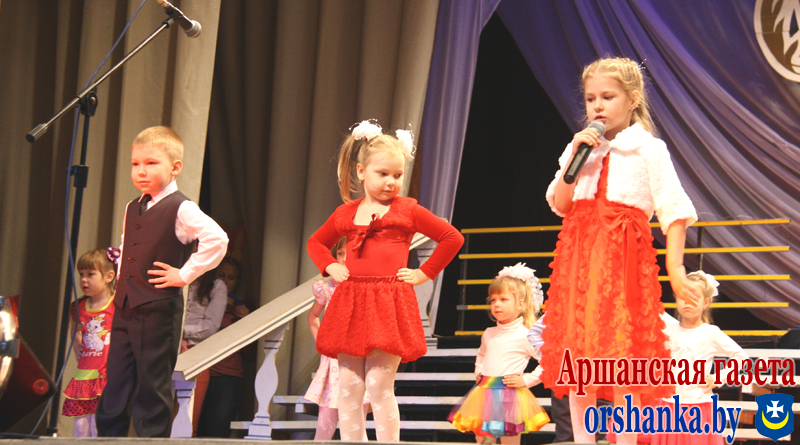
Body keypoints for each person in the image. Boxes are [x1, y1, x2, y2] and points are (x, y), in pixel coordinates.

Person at [539, 57, 700, 444]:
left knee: (622, 357)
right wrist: (575, 157)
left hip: (622, 263)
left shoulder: (648, 149)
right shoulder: (581, 147)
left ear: (632, 99)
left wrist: (677, 268)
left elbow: (674, 210)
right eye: (591, 98)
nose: (597, 106)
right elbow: (560, 202)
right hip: (579, 262)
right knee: (579, 361)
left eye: (607, 97)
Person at [306, 120, 464, 441]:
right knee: (349, 386)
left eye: (398, 175)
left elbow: (451, 237)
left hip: (388, 303)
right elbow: (316, 242)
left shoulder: (407, 210)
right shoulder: (346, 213)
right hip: (352, 304)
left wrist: (423, 273)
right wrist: (330, 266)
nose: (392, 182)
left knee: (379, 384)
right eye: (383, 174)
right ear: (362, 172)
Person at [96, 126, 229, 437]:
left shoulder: (181, 208)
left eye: (151, 163)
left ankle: (152, 441)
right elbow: (129, 243)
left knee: (152, 385)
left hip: (157, 307)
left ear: (175, 167)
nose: (141, 171)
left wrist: (183, 274)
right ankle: (106, 439)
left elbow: (217, 239)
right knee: (117, 381)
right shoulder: (133, 206)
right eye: (135, 164)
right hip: (126, 306)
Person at [449, 263, 550, 444]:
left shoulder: (525, 335)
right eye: (493, 300)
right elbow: (481, 355)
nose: (496, 304)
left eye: (503, 299)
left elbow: (548, 361)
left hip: (510, 395)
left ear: (520, 304)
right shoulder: (489, 333)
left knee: (509, 439)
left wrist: (527, 380)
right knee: (482, 439)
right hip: (484, 393)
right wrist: (478, 372)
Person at [651, 271, 748, 445]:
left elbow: (741, 356)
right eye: (683, 296)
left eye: (695, 297)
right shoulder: (666, 328)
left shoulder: (710, 332)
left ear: (706, 302)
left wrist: (718, 378)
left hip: (699, 406)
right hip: (669, 405)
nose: (688, 301)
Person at [305, 237, 369, 441]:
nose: (344, 259)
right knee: (326, 419)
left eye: (349, 254)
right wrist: (322, 342)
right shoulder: (327, 288)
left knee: (357, 421)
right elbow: (313, 316)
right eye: (340, 253)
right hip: (334, 359)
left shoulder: (366, 288)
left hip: (358, 356)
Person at [62, 248, 119, 437]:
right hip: (84, 374)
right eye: (81, 274)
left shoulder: (115, 304)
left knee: (97, 426)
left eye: (90, 274)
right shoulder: (79, 307)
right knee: (81, 427)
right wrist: (77, 346)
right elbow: (76, 329)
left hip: (104, 374)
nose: (84, 280)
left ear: (109, 276)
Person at [197, 256, 251, 438]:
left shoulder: (241, 308)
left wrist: (247, 321)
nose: (226, 281)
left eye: (231, 277)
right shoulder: (200, 301)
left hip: (227, 378)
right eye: (221, 275)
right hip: (200, 371)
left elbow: (251, 353)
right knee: (191, 429)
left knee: (217, 432)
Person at [181, 267, 228, 436]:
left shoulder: (216, 286)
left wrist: (180, 331)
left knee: (189, 419)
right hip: (168, 349)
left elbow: (210, 327)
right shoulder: (178, 278)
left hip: (196, 352)